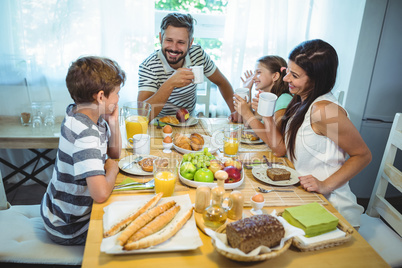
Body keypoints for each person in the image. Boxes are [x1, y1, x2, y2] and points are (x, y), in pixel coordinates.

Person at [245, 39, 371, 227]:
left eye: (294, 75)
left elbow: (362, 155)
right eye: (287, 71)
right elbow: (280, 148)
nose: (286, 79)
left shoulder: (324, 111)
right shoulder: (299, 101)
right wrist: (267, 117)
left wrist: (325, 184)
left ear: (316, 80)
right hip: (306, 199)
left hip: (332, 209)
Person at [40, 56, 126, 245]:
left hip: (56, 210)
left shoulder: (80, 113)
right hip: (69, 226)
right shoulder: (86, 134)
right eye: (117, 93)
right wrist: (112, 170)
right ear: (101, 96)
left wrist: (113, 123)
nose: (119, 98)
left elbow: (114, 154)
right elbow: (101, 194)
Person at [137, 12, 236, 120]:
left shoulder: (197, 54)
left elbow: (222, 83)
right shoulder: (149, 66)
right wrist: (170, 83)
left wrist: (235, 112)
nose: (174, 48)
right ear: (161, 38)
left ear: (190, 43)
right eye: (169, 40)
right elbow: (142, 114)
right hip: (159, 126)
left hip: (190, 123)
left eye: (181, 42)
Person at [233, 55, 292, 143]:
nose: (253, 77)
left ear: (275, 76)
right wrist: (247, 91)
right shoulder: (264, 98)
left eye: (259, 72)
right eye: (254, 73)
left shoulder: (284, 99)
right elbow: (249, 125)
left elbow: (275, 140)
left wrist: (247, 113)